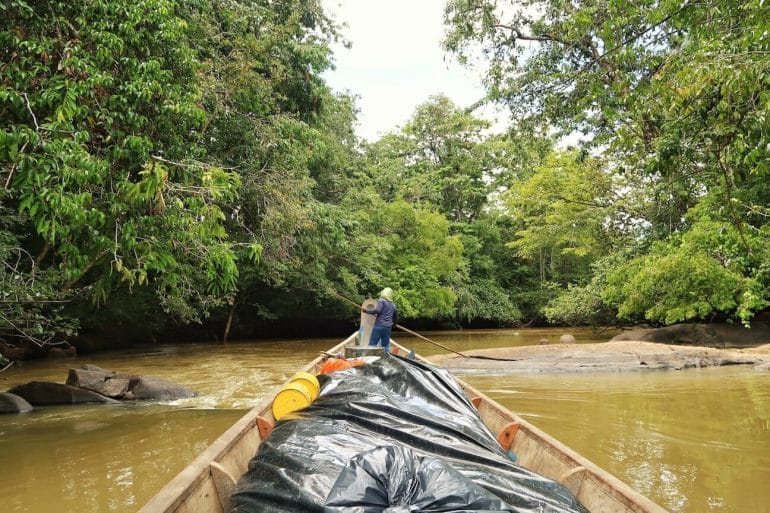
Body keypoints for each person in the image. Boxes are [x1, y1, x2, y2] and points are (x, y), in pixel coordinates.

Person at [362, 287, 398, 352]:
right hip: (388, 327)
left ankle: (370, 356)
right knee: (386, 345)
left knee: (372, 344)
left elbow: (378, 310)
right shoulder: (393, 305)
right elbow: (395, 317)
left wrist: (367, 311)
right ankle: (386, 356)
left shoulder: (382, 301)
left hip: (379, 325)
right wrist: (394, 324)